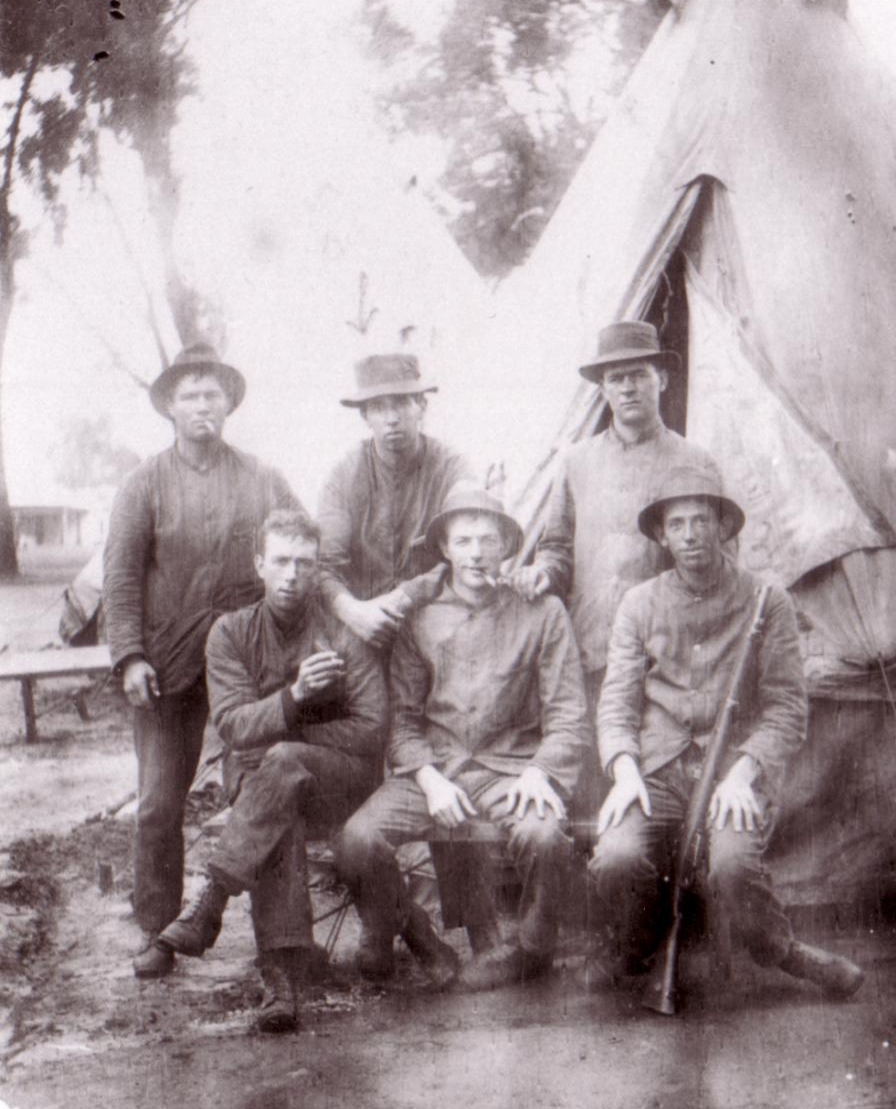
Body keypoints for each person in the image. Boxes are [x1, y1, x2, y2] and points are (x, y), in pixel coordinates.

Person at [589, 463, 865, 999]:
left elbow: (787, 706)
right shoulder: (639, 604)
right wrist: (624, 773)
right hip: (657, 773)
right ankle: (634, 942)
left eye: (701, 520)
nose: (690, 535)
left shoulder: (768, 600)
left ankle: (784, 952)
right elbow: (617, 704)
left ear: (722, 527)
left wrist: (743, 773)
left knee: (733, 870)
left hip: (733, 771)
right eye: (677, 524)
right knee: (616, 858)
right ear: (662, 537)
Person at [336, 484, 588, 991]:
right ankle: (412, 932)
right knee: (357, 841)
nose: (476, 553)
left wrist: (541, 771)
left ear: (506, 547)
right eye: (464, 541)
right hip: (437, 768)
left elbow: (569, 714)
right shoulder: (420, 618)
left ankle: (532, 950)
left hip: (512, 768)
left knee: (545, 836)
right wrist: (430, 782)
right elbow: (403, 722)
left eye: (488, 540)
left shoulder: (542, 612)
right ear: (445, 549)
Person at [103, 343, 302, 980]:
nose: (202, 407)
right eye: (189, 396)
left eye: (212, 395)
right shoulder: (143, 484)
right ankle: (158, 930)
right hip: (169, 667)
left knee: (263, 786)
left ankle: (279, 941)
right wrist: (130, 656)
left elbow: (300, 542)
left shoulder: (263, 477)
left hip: (248, 666)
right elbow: (121, 576)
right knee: (160, 802)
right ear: (169, 407)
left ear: (229, 404)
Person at [154, 509, 389, 1031]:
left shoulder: (343, 633)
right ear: (258, 563)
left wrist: (289, 732)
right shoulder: (230, 633)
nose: (292, 576)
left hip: (341, 781)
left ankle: (211, 903)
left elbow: (373, 729)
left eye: (305, 563)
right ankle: (282, 977)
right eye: (281, 561)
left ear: (317, 567)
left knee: (280, 765)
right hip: (260, 782)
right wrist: (296, 696)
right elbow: (234, 725)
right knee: (276, 803)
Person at [509, 320, 721, 806]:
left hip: (664, 662)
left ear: (662, 379)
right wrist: (543, 572)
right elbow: (557, 547)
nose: (627, 387)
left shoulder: (693, 461)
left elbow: (714, 563)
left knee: (653, 792)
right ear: (602, 388)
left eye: (638, 374)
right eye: (615, 377)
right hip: (590, 654)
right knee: (590, 795)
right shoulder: (577, 461)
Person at [317, 352, 472, 652]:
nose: (391, 419)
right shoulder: (343, 476)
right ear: (364, 416)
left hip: (436, 621)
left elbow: (470, 548)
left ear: (421, 406)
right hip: (360, 625)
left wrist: (406, 596)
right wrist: (353, 612)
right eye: (378, 407)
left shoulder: (452, 468)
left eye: (401, 403)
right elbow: (324, 566)